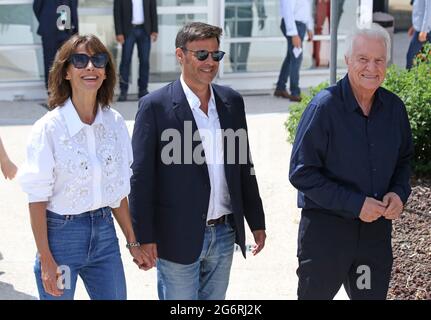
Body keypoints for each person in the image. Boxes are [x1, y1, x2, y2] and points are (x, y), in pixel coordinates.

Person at [129, 22, 266, 300]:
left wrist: (256, 221)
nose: (210, 62)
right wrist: (144, 237)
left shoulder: (232, 102)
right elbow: (141, 178)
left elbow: (243, 166)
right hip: (176, 237)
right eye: (201, 54)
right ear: (180, 55)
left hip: (225, 234)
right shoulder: (155, 107)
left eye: (216, 55)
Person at [18, 34, 151, 300]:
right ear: (66, 72)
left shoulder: (114, 123)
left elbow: (117, 193)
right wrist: (46, 260)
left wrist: (133, 241)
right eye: (79, 60)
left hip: (104, 238)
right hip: (60, 241)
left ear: (105, 72)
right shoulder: (49, 129)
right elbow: (37, 198)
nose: (90, 67)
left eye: (98, 60)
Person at [289, 24, 413, 300]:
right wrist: (356, 204)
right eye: (363, 59)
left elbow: (404, 160)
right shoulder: (324, 108)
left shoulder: (394, 109)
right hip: (326, 238)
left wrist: (398, 192)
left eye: (379, 60)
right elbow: (301, 173)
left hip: (374, 238)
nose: (372, 67)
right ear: (346, 60)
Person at [114, 0, 158, 101]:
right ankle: (123, 91)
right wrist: (119, 32)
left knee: (144, 61)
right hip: (128, 31)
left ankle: (143, 90)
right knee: (125, 61)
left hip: (145, 30)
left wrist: (154, 30)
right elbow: (117, 12)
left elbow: (153, 10)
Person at [33, 0, 79, 90]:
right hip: (49, 30)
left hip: (67, 30)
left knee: (68, 62)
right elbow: (36, 7)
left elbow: (73, 5)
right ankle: (51, 92)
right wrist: (45, 21)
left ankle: (67, 91)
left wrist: (75, 28)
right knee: (49, 62)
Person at [274, 0, 314, 102]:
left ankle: (280, 87)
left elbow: (306, 8)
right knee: (296, 58)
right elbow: (288, 12)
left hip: (300, 25)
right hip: (294, 26)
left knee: (291, 57)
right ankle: (295, 92)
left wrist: (309, 28)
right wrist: (293, 33)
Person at [225, 0, 266, 72]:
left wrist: (261, 15)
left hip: (241, 13)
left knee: (241, 43)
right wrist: (261, 15)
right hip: (234, 12)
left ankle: (240, 67)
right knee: (238, 42)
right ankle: (238, 67)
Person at [406, 0, 431, 69]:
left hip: (424, 31)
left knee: (411, 58)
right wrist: (414, 26)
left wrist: (424, 30)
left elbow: (429, 9)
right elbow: (420, 8)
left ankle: (409, 78)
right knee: (423, 58)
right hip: (421, 29)